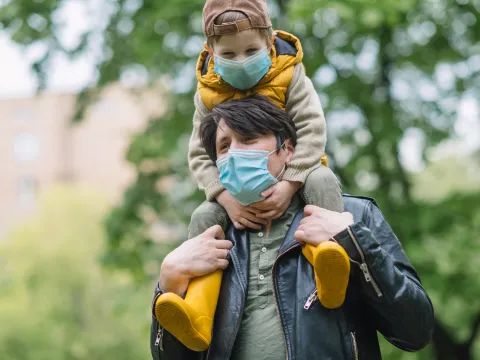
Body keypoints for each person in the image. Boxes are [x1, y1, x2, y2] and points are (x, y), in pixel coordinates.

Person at [150, 96, 434, 360]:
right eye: (224, 146)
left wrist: (354, 243)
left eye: (248, 138)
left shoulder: (352, 215)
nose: (234, 153)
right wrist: (168, 286)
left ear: (287, 150)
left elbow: (415, 331)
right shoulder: (209, 238)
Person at [157, 0, 350, 350]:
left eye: (251, 49)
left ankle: (327, 260)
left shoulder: (289, 73)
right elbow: (199, 153)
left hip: (299, 171)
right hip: (232, 193)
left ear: (269, 40)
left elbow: (311, 126)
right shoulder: (208, 92)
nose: (241, 60)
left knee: (322, 181)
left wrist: (292, 181)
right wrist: (225, 199)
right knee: (203, 216)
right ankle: (199, 308)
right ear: (210, 52)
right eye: (228, 54)